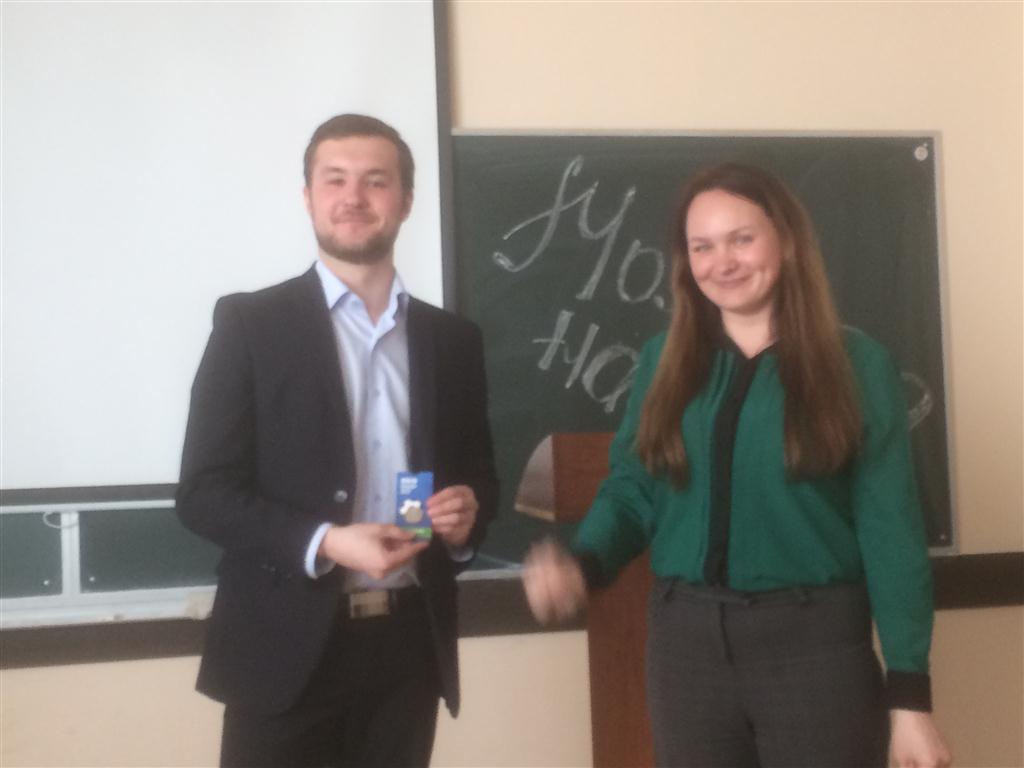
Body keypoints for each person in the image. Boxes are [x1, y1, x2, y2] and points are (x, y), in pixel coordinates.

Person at [522, 162, 951, 768]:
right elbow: (634, 489)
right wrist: (583, 564)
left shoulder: (858, 365)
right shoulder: (663, 362)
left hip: (815, 650)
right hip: (685, 651)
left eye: (741, 239)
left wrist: (910, 698)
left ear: (787, 241)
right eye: (702, 246)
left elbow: (892, 533)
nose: (721, 262)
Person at [177, 113, 497, 768]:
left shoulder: (453, 341)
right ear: (308, 196)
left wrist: (467, 518)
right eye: (335, 179)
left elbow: (479, 478)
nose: (354, 196)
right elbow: (203, 495)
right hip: (282, 650)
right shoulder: (249, 325)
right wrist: (326, 541)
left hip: (409, 649)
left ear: (406, 200)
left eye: (376, 181)